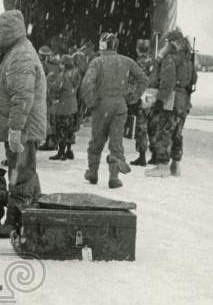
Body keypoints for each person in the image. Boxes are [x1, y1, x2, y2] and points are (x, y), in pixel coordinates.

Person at [0, 10, 46, 238]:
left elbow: (22, 97)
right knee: (27, 171)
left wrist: (15, 129)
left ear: (9, 34)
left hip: (24, 127)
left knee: (19, 174)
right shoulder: (16, 52)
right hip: (25, 126)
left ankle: (14, 222)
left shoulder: (20, 56)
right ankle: (37, 213)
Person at [80, 32, 148, 189]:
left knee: (96, 141)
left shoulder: (97, 62)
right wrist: (133, 96)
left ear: (103, 45)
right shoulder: (127, 61)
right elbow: (143, 79)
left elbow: (86, 84)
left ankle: (93, 172)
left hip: (101, 105)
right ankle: (114, 177)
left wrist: (91, 103)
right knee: (116, 142)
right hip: (120, 106)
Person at [146, 29, 197, 177]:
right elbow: (193, 80)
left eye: (168, 42)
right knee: (177, 133)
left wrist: (160, 100)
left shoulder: (170, 59)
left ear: (172, 43)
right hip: (184, 102)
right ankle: (175, 165)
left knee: (163, 132)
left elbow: (167, 82)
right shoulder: (188, 60)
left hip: (172, 101)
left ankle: (162, 166)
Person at [46, 54, 80, 160]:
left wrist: (49, 79)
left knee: (61, 129)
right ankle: (69, 150)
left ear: (64, 64)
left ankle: (61, 152)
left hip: (63, 107)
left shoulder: (63, 75)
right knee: (70, 130)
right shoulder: (76, 74)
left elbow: (56, 87)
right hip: (73, 106)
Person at [130, 38, 155, 166]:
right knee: (151, 124)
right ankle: (155, 154)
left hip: (142, 95)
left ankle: (142, 156)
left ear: (138, 49)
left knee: (141, 125)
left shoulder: (138, 63)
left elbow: (134, 80)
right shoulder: (152, 62)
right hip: (151, 94)